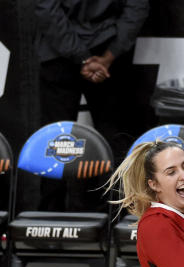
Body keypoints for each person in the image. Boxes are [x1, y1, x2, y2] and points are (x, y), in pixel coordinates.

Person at [35, 0, 151, 209]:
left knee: (56, 140)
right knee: (112, 137)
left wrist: (84, 58)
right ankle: (117, 218)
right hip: (104, 53)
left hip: (61, 51)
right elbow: (137, 7)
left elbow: (46, 8)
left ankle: (48, 219)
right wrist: (107, 57)